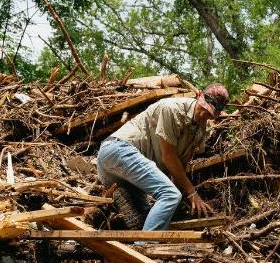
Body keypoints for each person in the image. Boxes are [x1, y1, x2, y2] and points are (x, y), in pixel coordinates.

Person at [96, 84, 228, 231]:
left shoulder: (201, 130)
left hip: (128, 177)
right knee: (170, 195)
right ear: (199, 96)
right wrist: (192, 194)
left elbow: (181, 166)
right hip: (117, 150)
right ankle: (145, 248)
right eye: (203, 108)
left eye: (210, 114)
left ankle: (138, 246)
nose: (205, 115)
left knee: (149, 217)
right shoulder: (172, 108)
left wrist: (179, 205)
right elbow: (169, 157)